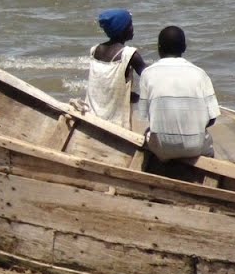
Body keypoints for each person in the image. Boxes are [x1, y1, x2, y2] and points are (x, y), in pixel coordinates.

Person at [138, 25, 219, 160]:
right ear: (184, 47)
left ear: (158, 48)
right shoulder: (200, 74)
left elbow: (145, 115)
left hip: (161, 148)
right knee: (209, 146)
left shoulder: (147, 73)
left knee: (148, 133)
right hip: (194, 148)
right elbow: (212, 119)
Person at [84, 8, 148, 128]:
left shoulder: (95, 50)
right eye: (130, 25)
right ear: (122, 29)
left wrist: (127, 95)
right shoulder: (129, 54)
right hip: (116, 123)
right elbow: (150, 79)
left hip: (91, 116)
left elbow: (106, 84)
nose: (132, 28)